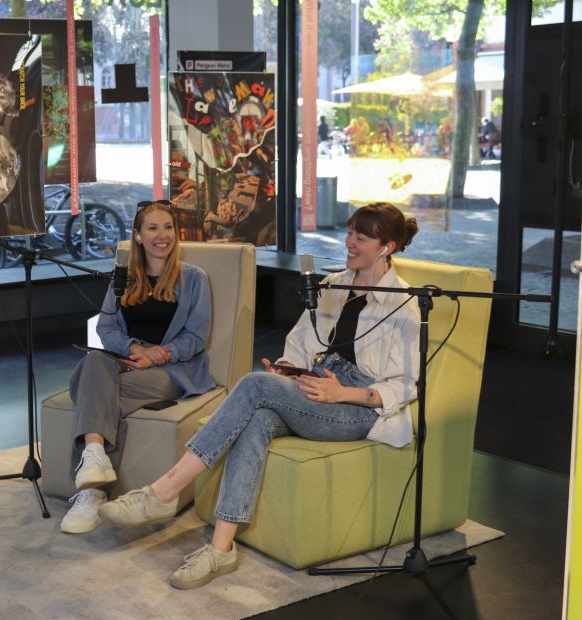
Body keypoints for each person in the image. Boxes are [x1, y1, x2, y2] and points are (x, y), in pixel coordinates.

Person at [98, 202, 420, 589]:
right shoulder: (334, 285)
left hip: (357, 408)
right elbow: (299, 343)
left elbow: (406, 384)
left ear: (386, 247)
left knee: (252, 385)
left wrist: (343, 393)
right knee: (259, 418)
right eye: (349, 233)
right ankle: (221, 548)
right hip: (315, 386)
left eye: (361, 237)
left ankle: (164, 490)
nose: (349, 242)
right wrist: (287, 369)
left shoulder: (405, 302)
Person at [60, 201, 214, 534]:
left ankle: (91, 491)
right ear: (138, 235)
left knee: (92, 392)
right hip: (124, 361)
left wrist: (154, 356)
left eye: (168, 227)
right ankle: (95, 457)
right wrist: (133, 349)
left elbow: (196, 337)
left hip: (171, 371)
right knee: (93, 361)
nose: (162, 235)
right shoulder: (124, 277)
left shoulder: (194, 278)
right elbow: (106, 327)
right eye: (153, 228)